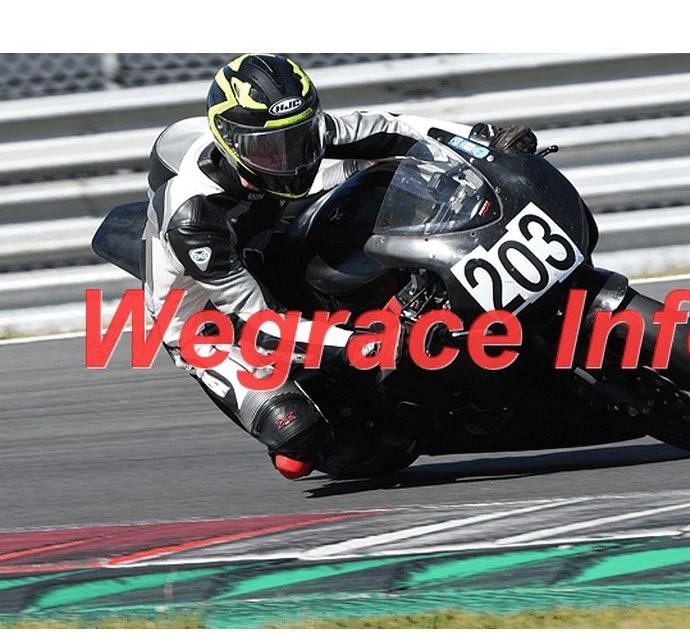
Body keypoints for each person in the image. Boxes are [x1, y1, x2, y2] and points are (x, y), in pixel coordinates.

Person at [142, 53, 538, 480]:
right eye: (270, 150)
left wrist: (479, 143)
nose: (291, 159)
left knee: (382, 181)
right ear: (231, 144)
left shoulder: (300, 133)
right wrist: (360, 343)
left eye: (299, 139)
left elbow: (391, 128)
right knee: (301, 440)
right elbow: (261, 326)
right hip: (213, 321)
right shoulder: (194, 218)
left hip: (268, 231)